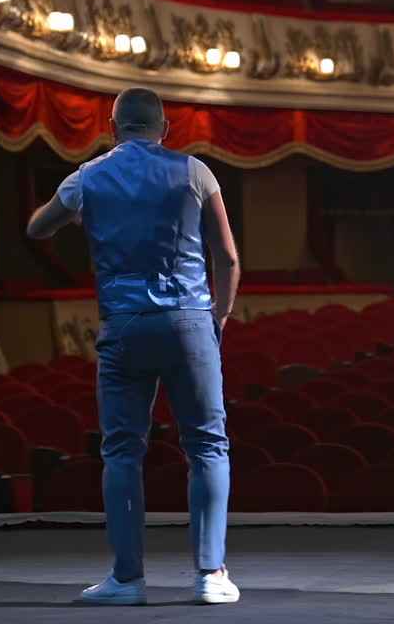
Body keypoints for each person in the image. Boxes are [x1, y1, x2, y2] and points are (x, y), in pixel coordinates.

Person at [27, 87, 241, 606]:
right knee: (207, 446)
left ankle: (126, 580)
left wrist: (79, 214)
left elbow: (37, 228)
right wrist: (218, 319)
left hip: (123, 326)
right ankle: (209, 575)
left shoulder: (87, 177)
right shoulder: (196, 172)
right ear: (164, 128)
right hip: (188, 320)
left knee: (122, 452)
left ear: (113, 125)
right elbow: (228, 259)